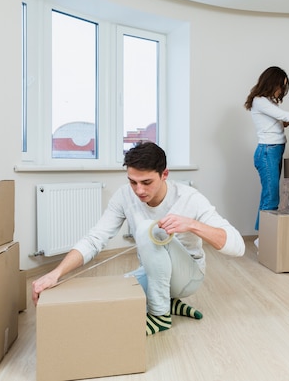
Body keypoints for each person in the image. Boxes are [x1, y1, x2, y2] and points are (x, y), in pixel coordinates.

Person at [32, 141, 245, 335]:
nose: (139, 190)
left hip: (189, 277)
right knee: (112, 295)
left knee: (146, 229)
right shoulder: (125, 195)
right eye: (132, 182)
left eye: (146, 182)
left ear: (165, 174)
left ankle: (160, 314)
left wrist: (193, 224)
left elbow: (238, 246)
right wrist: (56, 273)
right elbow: (95, 239)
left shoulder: (190, 198)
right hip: (155, 274)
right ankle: (170, 302)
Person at [244, 66, 289, 247]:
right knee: (271, 197)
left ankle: (262, 237)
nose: (282, 90)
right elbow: (284, 116)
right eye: (281, 85)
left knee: (269, 195)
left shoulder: (268, 103)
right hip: (267, 151)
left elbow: (281, 121)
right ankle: (264, 240)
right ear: (272, 82)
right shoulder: (260, 101)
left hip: (274, 150)